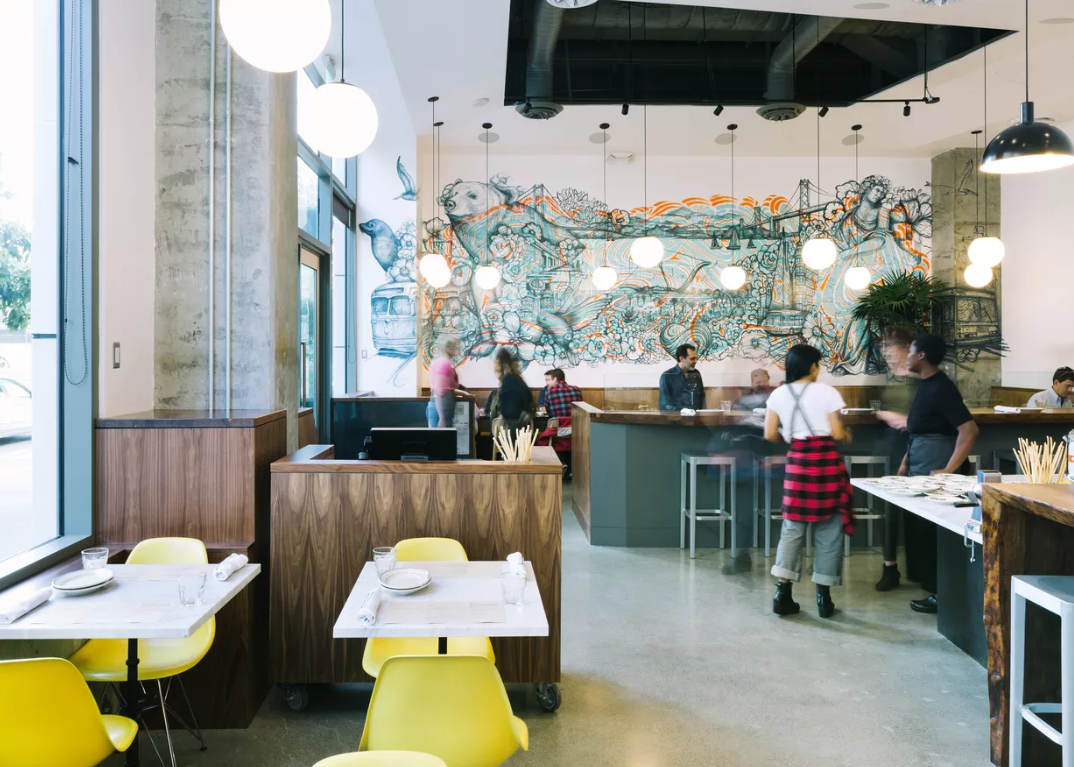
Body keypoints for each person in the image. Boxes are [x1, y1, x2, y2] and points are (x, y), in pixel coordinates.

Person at [764, 344, 855, 618]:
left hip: (798, 462)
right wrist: (847, 434)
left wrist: (789, 438)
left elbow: (769, 434)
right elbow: (836, 433)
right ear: (813, 366)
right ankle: (824, 599)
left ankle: (782, 594)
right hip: (825, 462)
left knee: (793, 526)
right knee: (829, 527)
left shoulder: (778, 394)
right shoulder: (827, 392)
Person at [900, 333, 979, 614]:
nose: (907, 356)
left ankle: (943, 595)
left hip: (937, 472)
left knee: (938, 534)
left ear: (922, 355)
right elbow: (920, 429)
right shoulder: (926, 385)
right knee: (923, 532)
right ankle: (935, 590)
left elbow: (969, 430)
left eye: (910, 351)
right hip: (921, 465)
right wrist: (905, 463)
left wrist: (949, 470)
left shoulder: (942, 388)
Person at [873, 327, 919, 592]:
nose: (886, 353)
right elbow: (878, 408)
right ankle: (889, 566)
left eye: (890, 347)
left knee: (919, 508)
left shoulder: (922, 377)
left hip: (918, 446)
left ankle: (919, 567)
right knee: (889, 509)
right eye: (884, 348)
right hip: (892, 447)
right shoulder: (888, 377)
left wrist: (908, 420)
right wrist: (885, 415)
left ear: (906, 347)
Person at [426, 338, 470, 429]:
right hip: (442, 408)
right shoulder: (445, 364)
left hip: (436, 405)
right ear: (447, 348)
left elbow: (445, 389)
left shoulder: (436, 362)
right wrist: (441, 418)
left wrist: (463, 393)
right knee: (443, 437)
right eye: (455, 347)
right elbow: (439, 392)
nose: (457, 350)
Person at [492, 347, 534, 434]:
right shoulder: (516, 378)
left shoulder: (508, 380)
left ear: (499, 363)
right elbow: (529, 397)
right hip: (520, 423)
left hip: (513, 424)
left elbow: (508, 408)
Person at [659, 344, 705, 411]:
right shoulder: (667, 376)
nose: (695, 361)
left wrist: (703, 414)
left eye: (696, 358)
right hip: (676, 416)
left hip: (696, 416)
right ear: (681, 359)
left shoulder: (696, 373)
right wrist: (683, 412)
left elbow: (702, 398)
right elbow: (665, 404)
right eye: (692, 359)